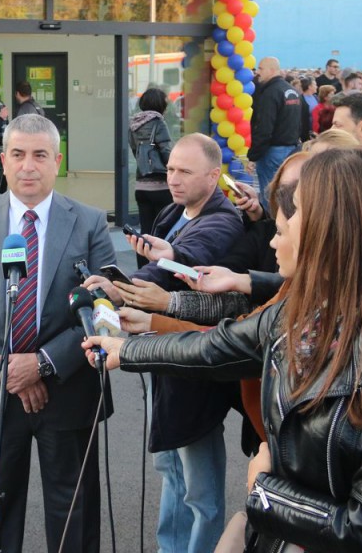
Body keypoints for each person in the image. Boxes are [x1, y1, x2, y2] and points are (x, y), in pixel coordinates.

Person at [84, 148, 362, 552]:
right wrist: (126, 351)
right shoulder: (308, 308)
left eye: (288, 221)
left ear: (330, 229)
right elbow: (217, 346)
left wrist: (266, 491)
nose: (272, 237)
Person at [0, 113, 116, 553]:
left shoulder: (90, 222)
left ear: (57, 161)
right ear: (3, 160)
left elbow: (104, 308)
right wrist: (6, 371)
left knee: (73, 512)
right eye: (17, 154)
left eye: (39, 155)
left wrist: (42, 364)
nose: (27, 166)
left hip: (68, 387)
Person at [83, 134, 243, 553]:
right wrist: (126, 286)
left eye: (184, 171)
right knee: (169, 466)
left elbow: (179, 265)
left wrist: (122, 288)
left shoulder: (223, 220)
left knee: (198, 484)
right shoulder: (173, 210)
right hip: (159, 351)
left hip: (196, 359)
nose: (172, 178)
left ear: (214, 175)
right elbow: (161, 268)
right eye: (170, 168)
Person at [248, 57, 306, 207]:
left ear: (272, 70)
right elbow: (303, 121)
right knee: (285, 195)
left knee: (270, 196)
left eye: (261, 68)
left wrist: (253, 156)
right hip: (291, 149)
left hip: (272, 152)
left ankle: (270, 221)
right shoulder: (291, 91)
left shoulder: (270, 93)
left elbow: (264, 128)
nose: (257, 72)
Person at [129, 87, 174, 238]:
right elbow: (166, 151)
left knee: (146, 232)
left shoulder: (134, 124)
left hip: (141, 186)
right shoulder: (158, 123)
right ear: (160, 104)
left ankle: (144, 254)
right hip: (161, 186)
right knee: (164, 232)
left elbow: (135, 151)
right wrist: (176, 169)